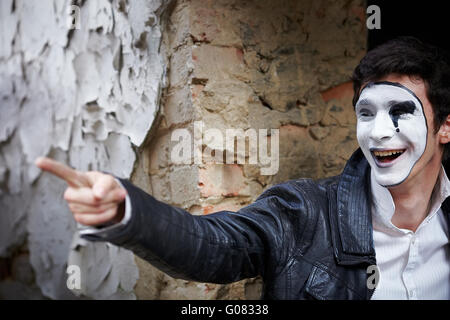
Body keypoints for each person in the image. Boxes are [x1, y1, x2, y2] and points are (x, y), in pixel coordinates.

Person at [36, 36, 450, 300]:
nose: (378, 132)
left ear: (444, 126)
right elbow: (217, 244)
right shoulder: (303, 212)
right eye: (366, 113)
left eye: (400, 112)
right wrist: (128, 212)